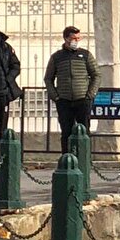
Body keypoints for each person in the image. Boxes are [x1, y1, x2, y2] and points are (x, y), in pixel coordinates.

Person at [44, 25, 101, 155]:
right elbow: (48, 78)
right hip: (64, 100)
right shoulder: (57, 57)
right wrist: (56, 97)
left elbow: (96, 75)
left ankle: (85, 158)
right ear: (66, 38)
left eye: (78, 38)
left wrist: (90, 94)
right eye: (73, 38)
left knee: (84, 131)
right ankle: (67, 158)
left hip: (83, 99)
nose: (76, 41)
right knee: (66, 132)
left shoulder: (85, 55)